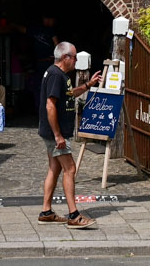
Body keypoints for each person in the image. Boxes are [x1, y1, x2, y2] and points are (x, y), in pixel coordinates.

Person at [36, 41, 103, 229]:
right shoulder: (56, 75)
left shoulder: (58, 74)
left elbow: (69, 94)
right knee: (70, 169)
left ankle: (46, 212)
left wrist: (88, 85)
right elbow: (50, 105)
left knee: (54, 169)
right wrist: (58, 136)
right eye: (74, 57)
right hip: (55, 133)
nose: (75, 61)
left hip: (52, 132)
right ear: (65, 57)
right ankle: (74, 215)